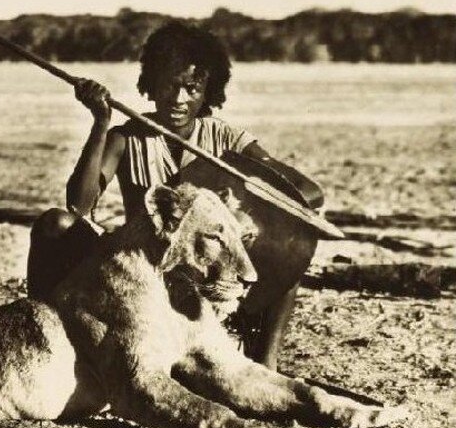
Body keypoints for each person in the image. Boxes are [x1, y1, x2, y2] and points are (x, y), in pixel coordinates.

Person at [26, 20, 323, 369]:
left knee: (291, 251)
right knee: (55, 224)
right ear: (151, 84)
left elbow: (308, 193)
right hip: (140, 271)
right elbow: (79, 204)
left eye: (192, 88)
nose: (179, 99)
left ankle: (265, 361)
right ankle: (42, 339)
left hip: (204, 270)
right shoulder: (126, 139)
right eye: (169, 85)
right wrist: (101, 122)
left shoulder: (228, 141)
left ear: (208, 91)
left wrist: (242, 196)